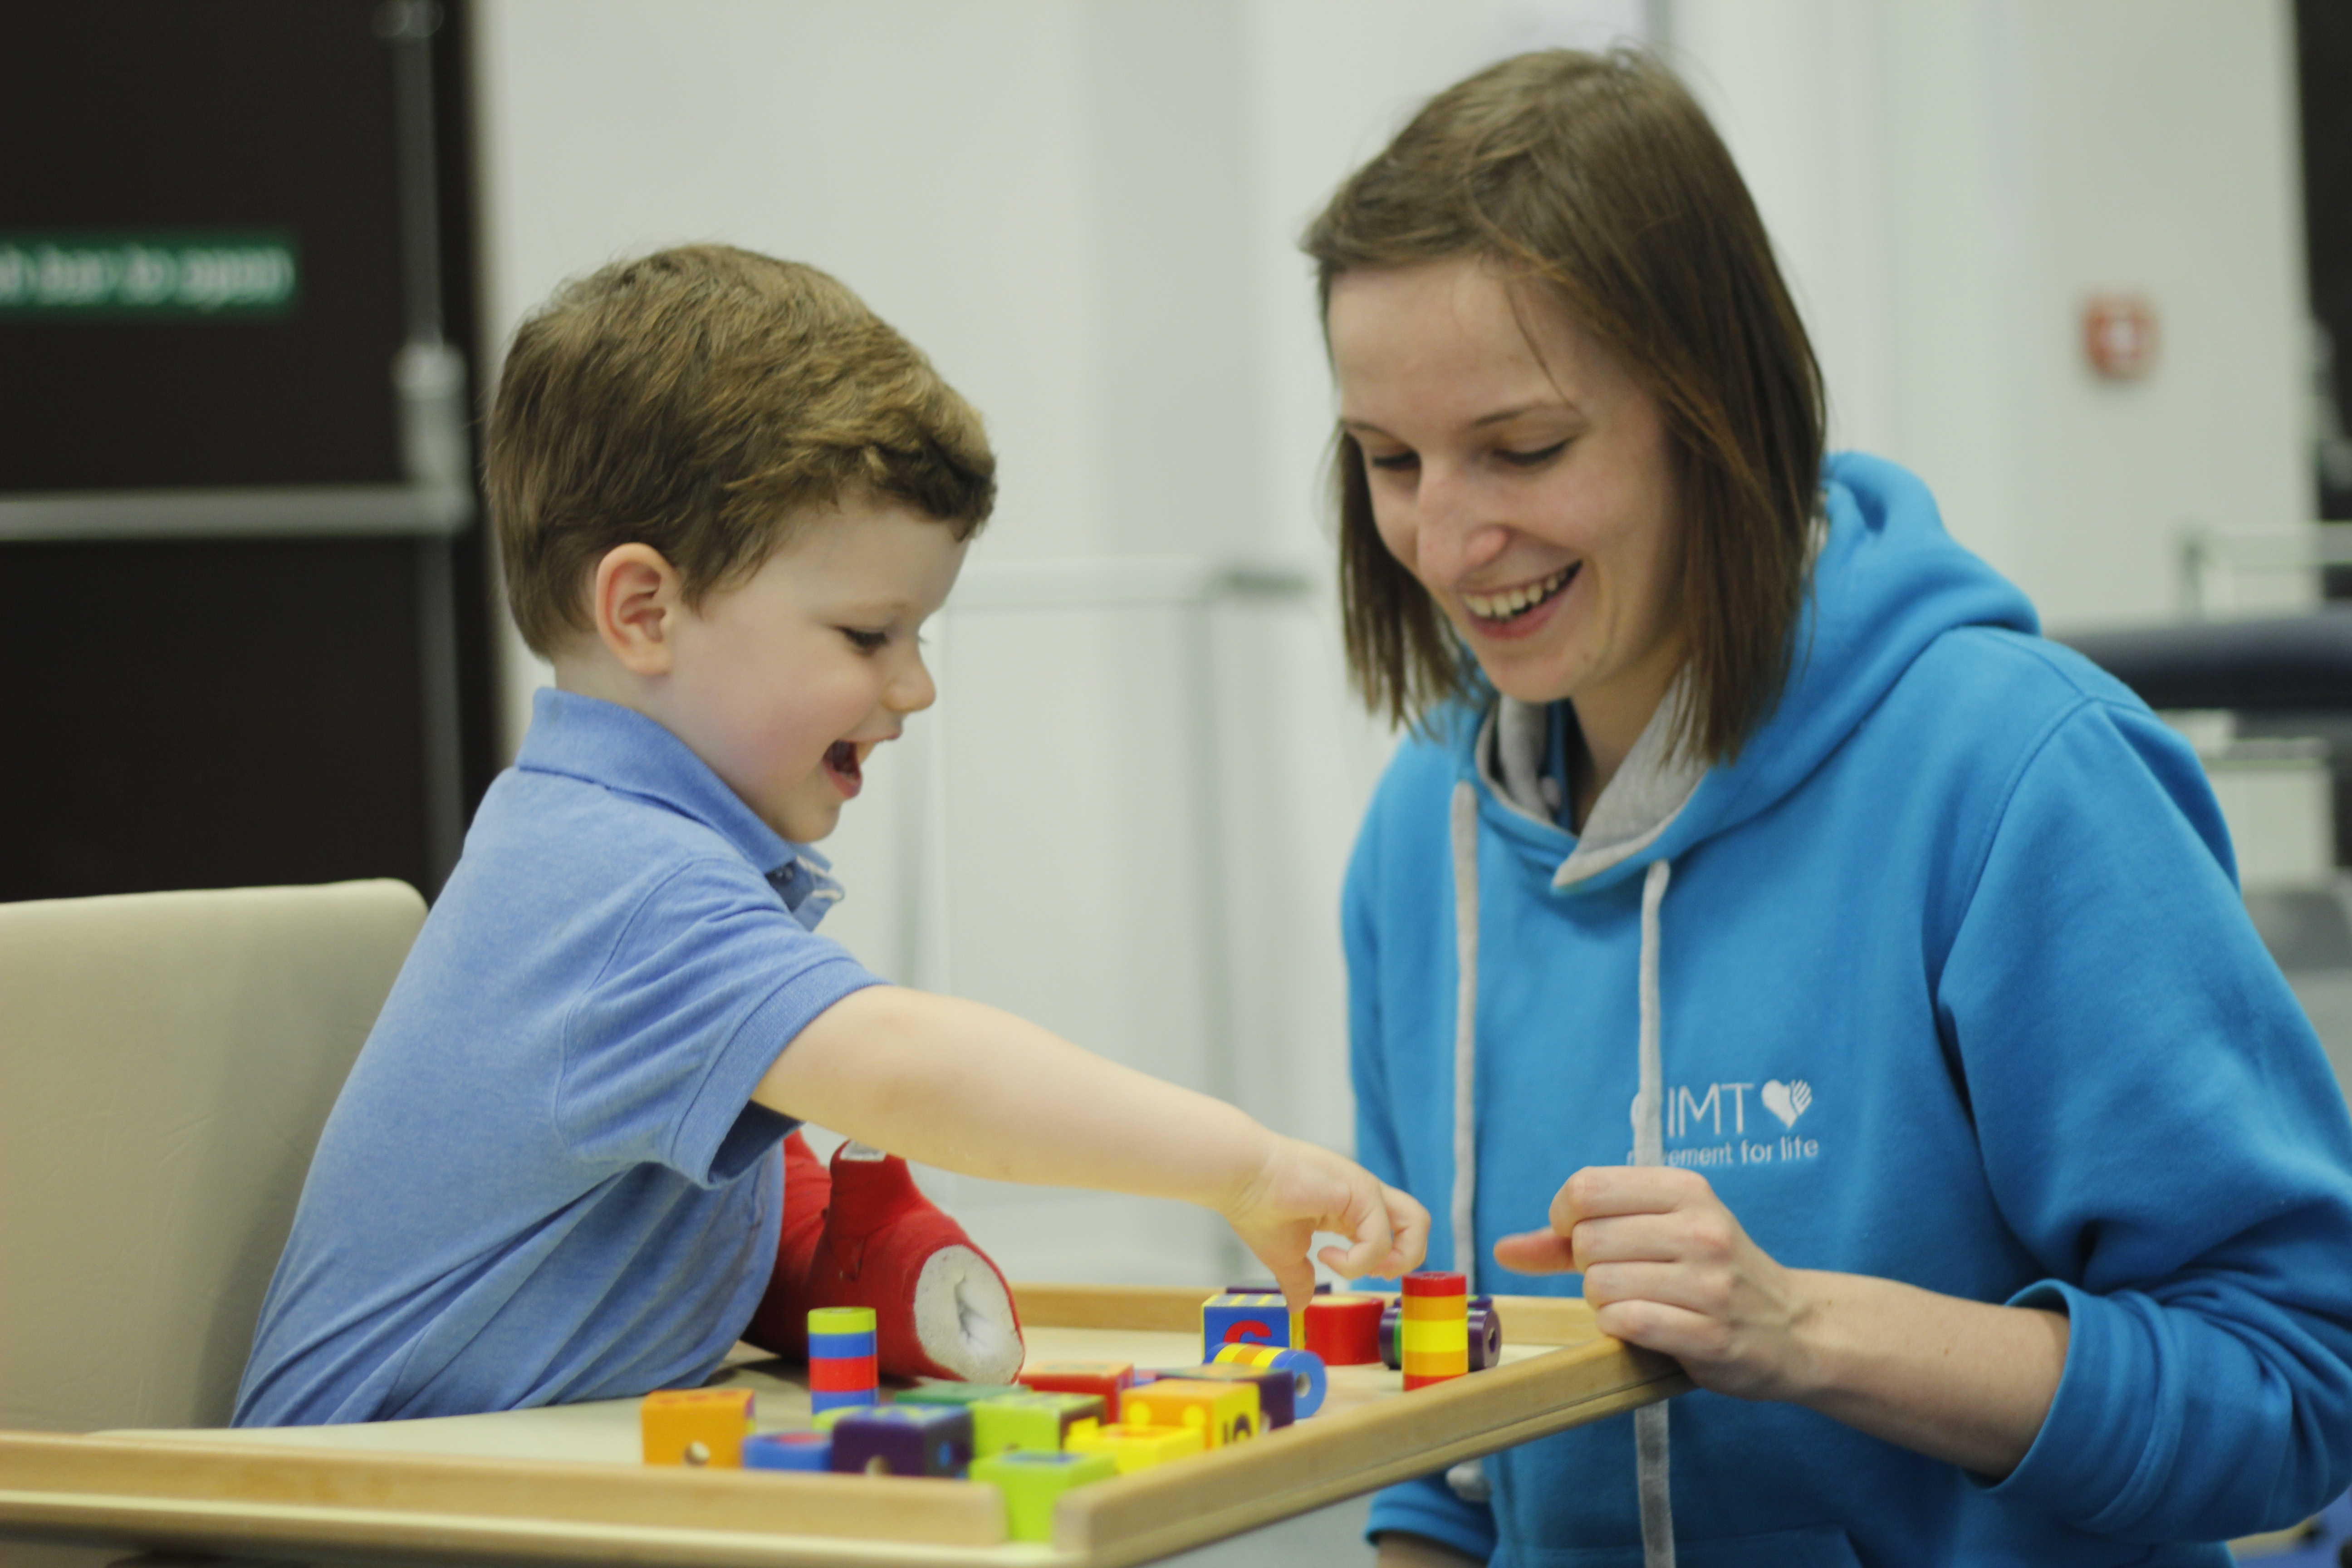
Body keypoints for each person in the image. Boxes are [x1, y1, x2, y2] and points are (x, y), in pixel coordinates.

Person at [1305, 50, 2352, 1568]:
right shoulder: (1424, 834)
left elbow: (2299, 1382)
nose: (1453, 541)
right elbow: (1442, 1460)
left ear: (1712, 411)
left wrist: (1801, 1328)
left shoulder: (2016, 779)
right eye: (1390, 463)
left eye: (1524, 449)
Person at [234, 245, 1427, 1427]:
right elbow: (909, 1074)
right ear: (645, 611)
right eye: (868, 636)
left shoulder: (597, 843)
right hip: (363, 1526)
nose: (914, 688)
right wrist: (1247, 1166)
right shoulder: (618, 885)